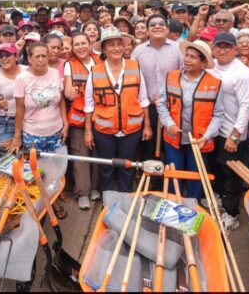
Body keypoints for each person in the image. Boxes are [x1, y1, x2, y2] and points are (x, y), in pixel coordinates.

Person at [85, 27, 152, 193]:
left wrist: (147, 125)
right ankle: (108, 200)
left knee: (127, 167)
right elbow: (89, 104)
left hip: (132, 129)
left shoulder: (134, 66)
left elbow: (143, 99)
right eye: (111, 45)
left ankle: (125, 198)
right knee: (106, 167)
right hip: (104, 130)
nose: (116, 48)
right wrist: (88, 131)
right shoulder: (95, 71)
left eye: (119, 44)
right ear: (104, 49)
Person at [157, 40, 224, 200]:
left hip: (199, 141)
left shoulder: (215, 84)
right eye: (187, 55)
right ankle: (174, 203)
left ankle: (193, 206)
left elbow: (218, 115)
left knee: (196, 176)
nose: (187, 59)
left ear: (203, 62)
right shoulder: (171, 77)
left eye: (193, 57)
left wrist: (206, 137)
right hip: (174, 138)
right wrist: (169, 124)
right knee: (174, 174)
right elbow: (161, 103)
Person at [206, 32, 249, 230]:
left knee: (232, 175)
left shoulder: (242, 72)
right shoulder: (211, 67)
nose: (223, 50)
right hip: (214, 130)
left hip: (232, 133)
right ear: (213, 49)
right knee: (216, 168)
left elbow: (246, 106)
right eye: (219, 47)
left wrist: (235, 135)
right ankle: (219, 201)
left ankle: (232, 213)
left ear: (235, 49)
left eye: (227, 47)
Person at [131, 14, 184, 162]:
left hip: (173, 107)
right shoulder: (138, 51)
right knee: (149, 145)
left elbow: (185, 77)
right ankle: (151, 179)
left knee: (172, 144)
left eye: (161, 23)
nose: (157, 26)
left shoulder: (179, 49)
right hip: (148, 108)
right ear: (147, 31)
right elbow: (134, 80)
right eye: (153, 24)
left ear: (167, 29)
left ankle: (170, 179)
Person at [64, 32, 101, 209]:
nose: (80, 47)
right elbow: (68, 90)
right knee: (81, 156)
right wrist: (69, 92)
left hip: (99, 116)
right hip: (79, 119)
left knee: (97, 154)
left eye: (83, 43)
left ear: (89, 43)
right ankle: (83, 192)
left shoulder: (100, 61)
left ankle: (95, 188)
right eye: (76, 44)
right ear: (72, 47)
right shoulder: (69, 65)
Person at [0, 43, 25, 148]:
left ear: (16, 56)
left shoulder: (26, 71)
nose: (4, 58)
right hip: (4, 125)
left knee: (26, 158)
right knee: (8, 159)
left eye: (7, 55)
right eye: (0, 56)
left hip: (27, 122)